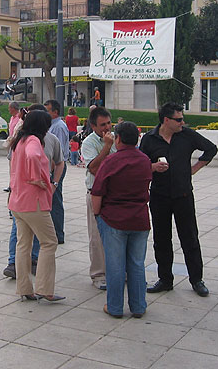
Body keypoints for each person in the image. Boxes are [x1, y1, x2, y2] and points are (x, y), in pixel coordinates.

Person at [140, 102, 217, 297]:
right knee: (161, 239)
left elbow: (211, 149)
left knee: (189, 237)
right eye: (178, 119)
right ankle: (165, 279)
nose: (182, 122)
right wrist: (153, 167)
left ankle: (197, 279)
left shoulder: (187, 135)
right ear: (166, 120)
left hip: (183, 195)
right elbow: (140, 164)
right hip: (159, 195)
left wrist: (194, 169)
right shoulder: (149, 139)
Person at [91, 122, 152, 318]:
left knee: (115, 266)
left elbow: (97, 192)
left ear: (118, 139)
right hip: (139, 218)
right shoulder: (144, 161)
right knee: (136, 264)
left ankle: (115, 307)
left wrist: (97, 215)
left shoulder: (111, 161)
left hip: (114, 219)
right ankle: (138, 306)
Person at [9, 109, 64, 302]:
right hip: (34, 201)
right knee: (49, 242)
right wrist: (39, 178)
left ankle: (24, 288)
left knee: (23, 245)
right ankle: (44, 288)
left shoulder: (19, 140)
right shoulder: (33, 141)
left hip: (17, 200)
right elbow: (33, 156)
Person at [81, 106, 116, 290]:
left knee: (117, 234)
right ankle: (98, 274)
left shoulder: (117, 138)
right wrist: (107, 147)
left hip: (116, 193)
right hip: (96, 193)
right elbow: (93, 168)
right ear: (93, 126)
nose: (107, 128)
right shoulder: (89, 143)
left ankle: (118, 271)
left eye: (109, 123)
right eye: (102, 125)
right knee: (97, 235)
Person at [44, 99, 70, 244]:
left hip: (56, 167)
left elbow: (56, 155)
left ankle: (58, 234)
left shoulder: (58, 127)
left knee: (55, 200)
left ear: (55, 112)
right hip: (52, 167)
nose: (45, 113)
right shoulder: (52, 126)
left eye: (47, 110)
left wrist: (51, 172)